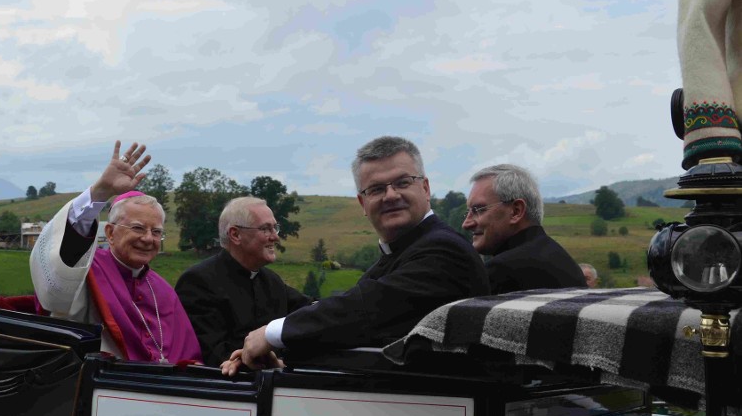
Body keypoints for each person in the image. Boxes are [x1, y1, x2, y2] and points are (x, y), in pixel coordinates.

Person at [221, 136, 489, 376]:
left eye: (402, 183)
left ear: (426, 189)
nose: (390, 195)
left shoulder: (443, 251)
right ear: (363, 203)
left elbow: (363, 311)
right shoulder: (399, 254)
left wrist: (270, 334)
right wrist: (281, 365)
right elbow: (352, 330)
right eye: (376, 189)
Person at [30, 141, 202, 364]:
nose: (148, 238)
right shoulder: (85, 269)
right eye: (138, 228)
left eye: (156, 231)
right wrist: (100, 191)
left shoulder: (164, 291)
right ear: (110, 233)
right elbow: (63, 261)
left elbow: (189, 358)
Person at [175, 197, 311, 366]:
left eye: (275, 228)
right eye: (266, 229)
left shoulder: (272, 281)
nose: (275, 237)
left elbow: (311, 312)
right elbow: (214, 354)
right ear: (235, 234)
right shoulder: (198, 282)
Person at [462, 164, 586, 294]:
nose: (466, 224)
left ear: (516, 211)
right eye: (468, 212)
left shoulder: (502, 271)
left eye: (478, 210)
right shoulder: (564, 262)